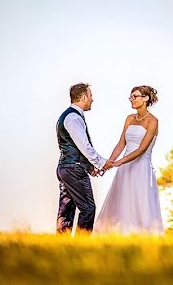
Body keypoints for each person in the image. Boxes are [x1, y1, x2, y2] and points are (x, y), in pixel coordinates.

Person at [93, 85, 164, 234]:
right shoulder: (129, 118)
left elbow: (141, 149)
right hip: (125, 168)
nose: (131, 99)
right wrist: (108, 163)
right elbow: (121, 143)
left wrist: (120, 162)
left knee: (141, 204)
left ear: (145, 98)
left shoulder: (153, 121)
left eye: (135, 96)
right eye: (130, 97)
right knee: (122, 204)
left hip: (141, 168)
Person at [56, 83, 113, 235]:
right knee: (88, 208)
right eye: (91, 96)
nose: (92, 99)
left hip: (66, 167)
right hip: (74, 169)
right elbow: (84, 146)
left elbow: (73, 145)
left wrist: (90, 168)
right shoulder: (73, 118)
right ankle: (82, 246)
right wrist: (101, 162)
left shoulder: (68, 116)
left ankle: (61, 246)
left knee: (66, 211)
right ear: (83, 97)